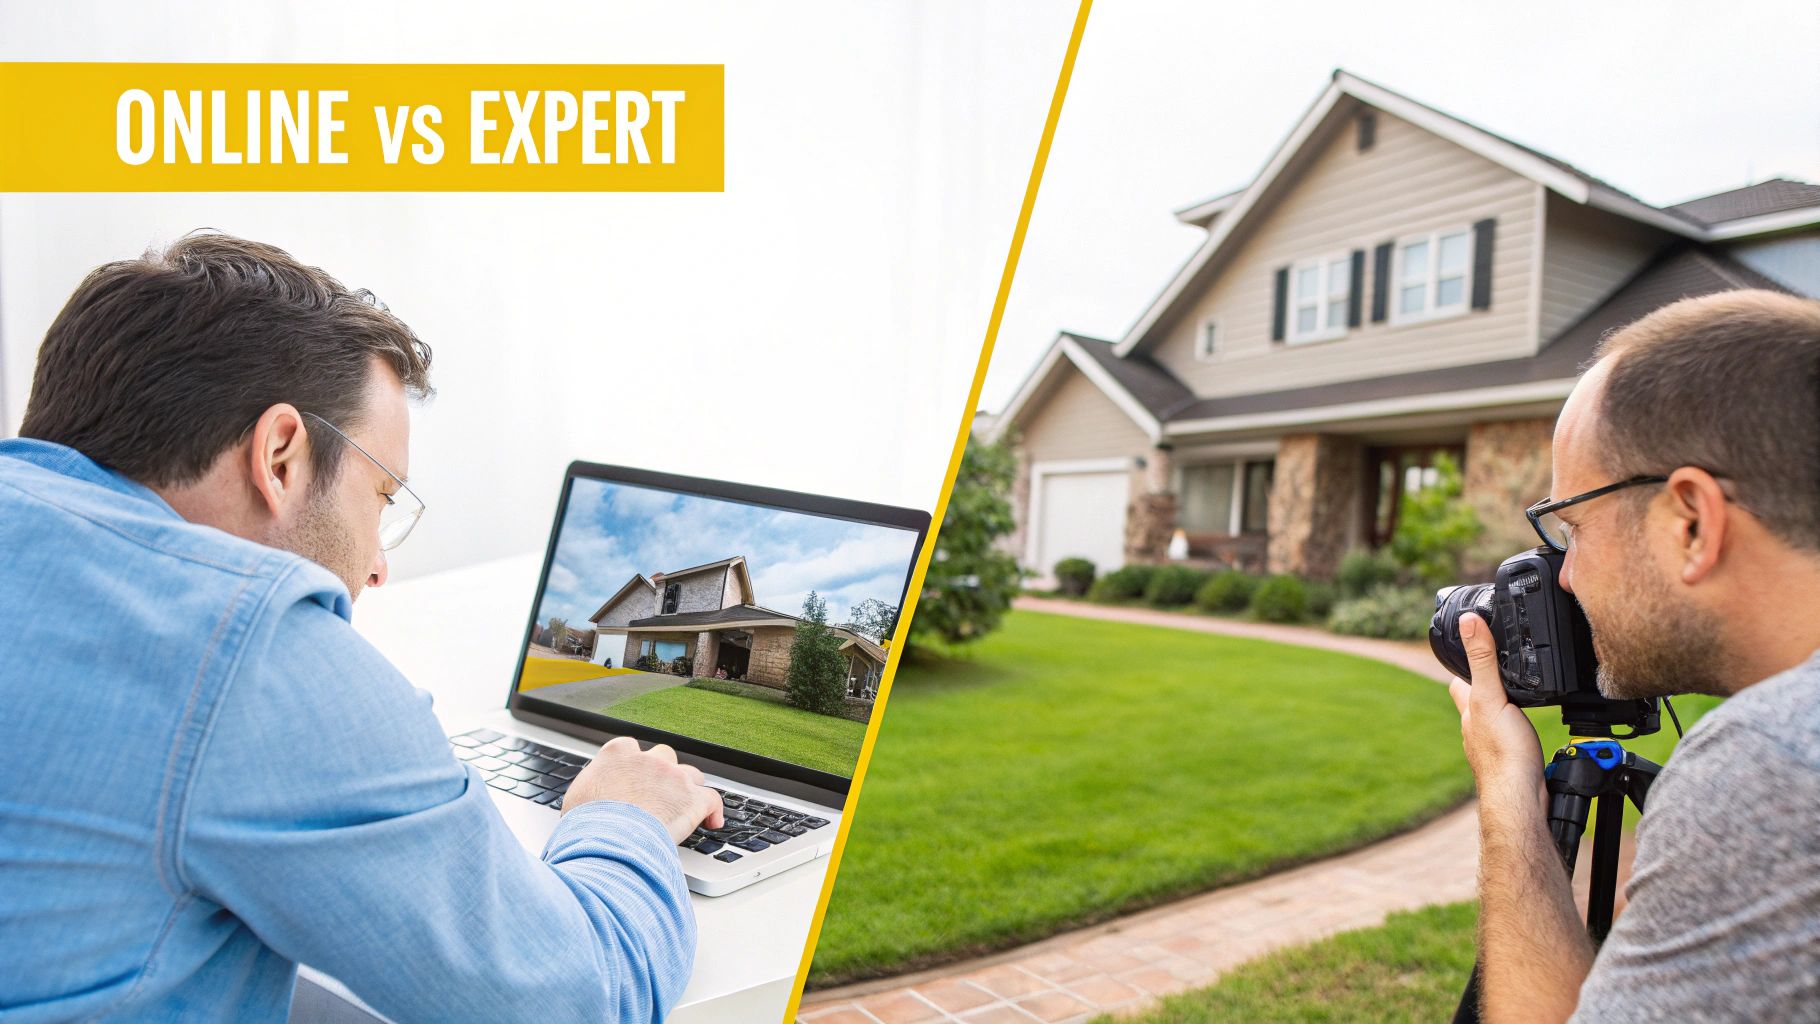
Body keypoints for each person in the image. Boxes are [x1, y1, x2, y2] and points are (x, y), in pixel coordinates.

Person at [0, 232, 724, 1022]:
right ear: (280, 456)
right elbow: (581, 997)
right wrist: (624, 816)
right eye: (381, 497)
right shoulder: (248, 645)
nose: (378, 566)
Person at [1450, 289, 1820, 1022]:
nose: (1563, 575)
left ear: (1690, 522)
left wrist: (1507, 792)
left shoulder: (1769, 764)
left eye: (1575, 528)